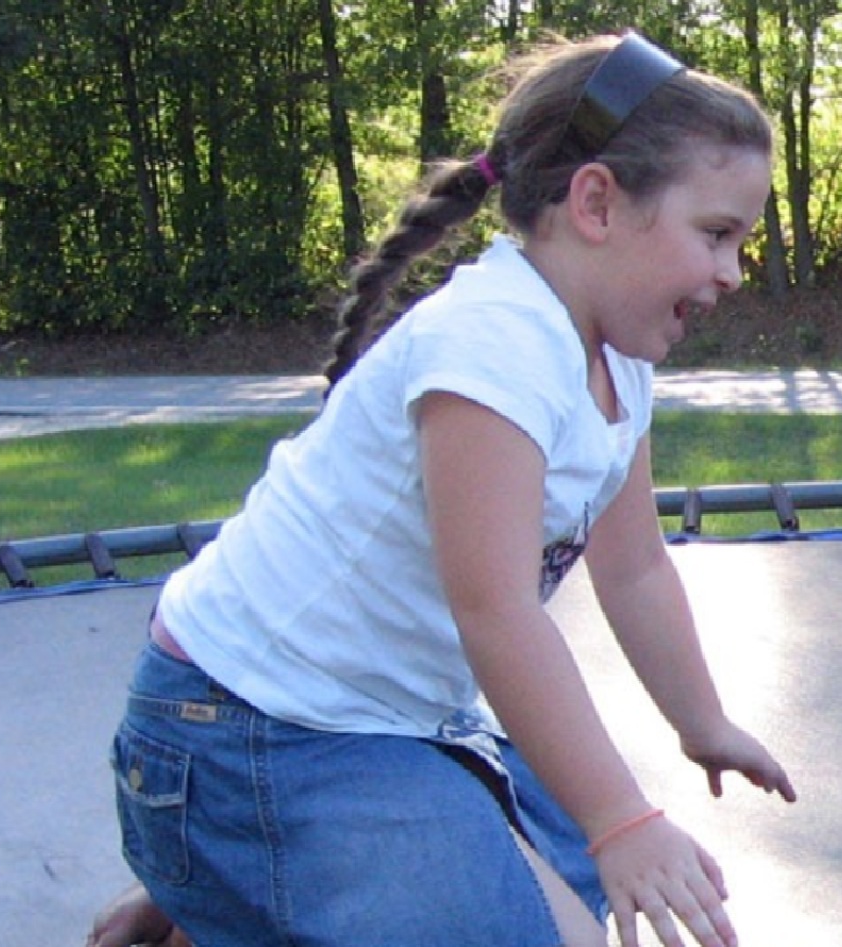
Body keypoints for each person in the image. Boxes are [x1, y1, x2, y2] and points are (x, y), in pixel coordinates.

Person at [100, 32, 791, 947]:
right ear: (596, 201)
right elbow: (498, 613)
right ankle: (220, 873)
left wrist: (702, 721)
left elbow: (634, 571)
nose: (730, 273)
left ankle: (218, 896)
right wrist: (622, 818)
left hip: (391, 721)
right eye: (716, 234)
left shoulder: (619, 366)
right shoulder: (493, 343)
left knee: (587, 906)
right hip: (240, 727)